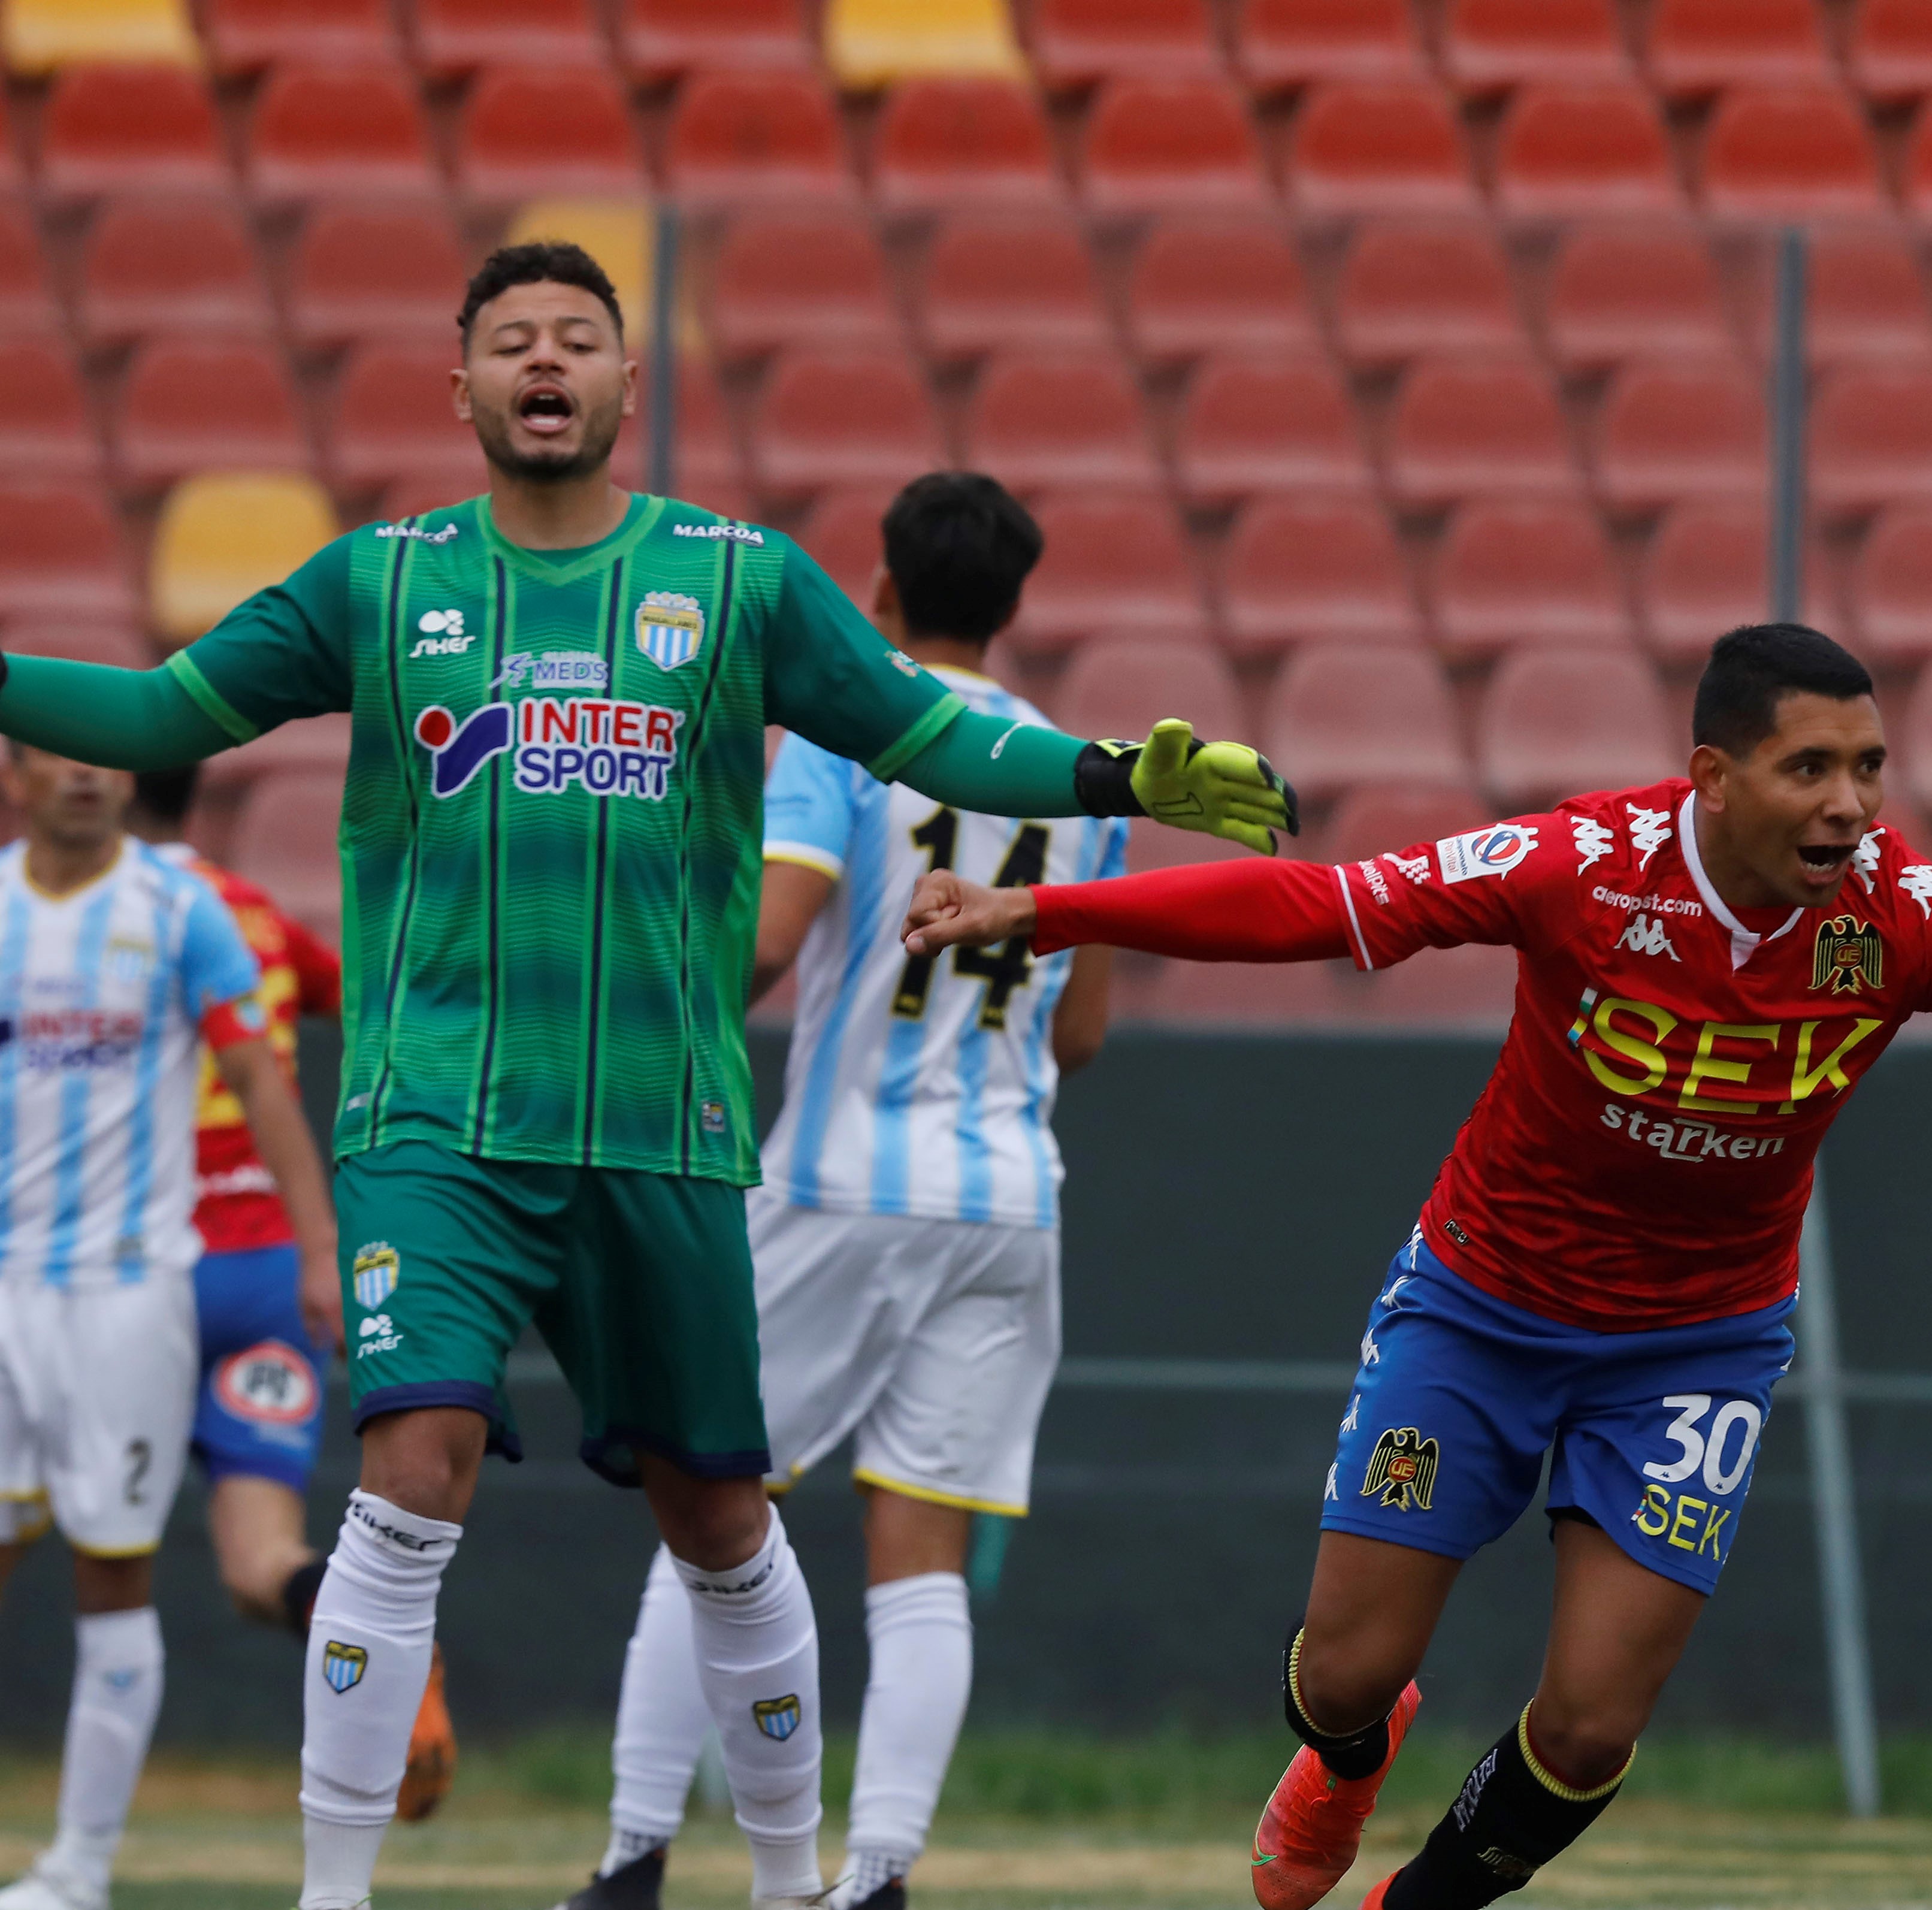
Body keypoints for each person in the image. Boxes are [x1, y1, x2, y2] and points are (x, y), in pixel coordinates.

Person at [0, 241, 1296, 1910]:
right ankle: (332, 1895)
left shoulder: (737, 580)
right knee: (410, 1466)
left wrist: (1113, 768)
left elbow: (925, 728)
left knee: (720, 1516)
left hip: (662, 1131)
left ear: (626, 385)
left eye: (580, 340)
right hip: (432, 1121)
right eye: (514, 341)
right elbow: (159, 702)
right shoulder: (377, 581)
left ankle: (781, 1879)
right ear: (457, 383)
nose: (547, 362)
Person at [900, 622, 1932, 1910]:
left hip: (1693, 1348)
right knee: (1346, 1667)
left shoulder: (1906, 919)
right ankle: (1342, 1757)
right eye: (1810, 767)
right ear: (1710, 775)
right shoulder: (1580, 865)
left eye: (1871, 766)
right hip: (1478, 1308)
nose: (1849, 803)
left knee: (1594, 1721)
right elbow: (1321, 905)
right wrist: (1038, 920)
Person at [572, 473, 1127, 1910]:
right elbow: (1080, 1032)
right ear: (1011, 608)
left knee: (709, 1504)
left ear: (875, 592)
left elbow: (768, 940)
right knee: (923, 1551)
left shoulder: (846, 740)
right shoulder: (1076, 770)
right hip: (1008, 1196)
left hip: (835, 1181)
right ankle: (874, 1878)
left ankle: (635, 1856)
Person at [0, 745, 338, 1910]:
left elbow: (260, 1080)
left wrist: (323, 1249)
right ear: (13, 770)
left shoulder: (181, 908)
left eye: (108, 756)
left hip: (134, 1294)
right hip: (2, 1289)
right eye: (61, 753)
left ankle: (79, 1868)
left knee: (112, 1568)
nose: (89, 775)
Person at [123, 767, 462, 1823]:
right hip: (269, 1269)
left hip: (134, 1264)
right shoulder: (256, 914)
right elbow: (366, 1008)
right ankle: (393, 1668)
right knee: (259, 1562)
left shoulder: (98, 913)